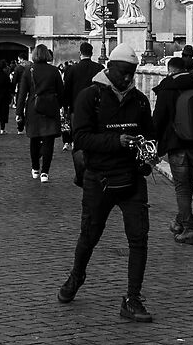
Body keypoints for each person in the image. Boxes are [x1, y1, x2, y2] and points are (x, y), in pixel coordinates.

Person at [59, 50, 157, 321]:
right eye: (122, 72)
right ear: (109, 67)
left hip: (132, 179)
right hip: (99, 178)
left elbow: (149, 133)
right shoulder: (90, 97)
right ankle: (77, 276)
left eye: (131, 73)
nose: (127, 78)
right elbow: (81, 139)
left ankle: (133, 298)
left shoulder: (139, 101)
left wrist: (148, 154)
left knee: (139, 239)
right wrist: (117, 141)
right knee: (89, 235)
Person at [149, 51, 193, 245]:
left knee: (182, 187)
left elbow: (158, 119)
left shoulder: (167, 89)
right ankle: (179, 222)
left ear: (170, 70)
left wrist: (153, 142)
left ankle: (188, 229)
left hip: (177, 144)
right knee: (187, 184)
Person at [22, 43, 66, 182]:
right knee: (49, 141)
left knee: (34, 139)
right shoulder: (54, 71)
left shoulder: (28, 70)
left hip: (33, 108)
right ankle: (45, 172)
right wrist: (59, 106)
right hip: (50, 108)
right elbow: (61, 92)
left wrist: (18, 112)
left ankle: (35, 168)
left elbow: (22, 94)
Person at [61, 43, 102, 184]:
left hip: (76, 110)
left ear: (80, 53)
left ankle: (80, 173)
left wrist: (65, 107)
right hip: (96, 110)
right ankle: (95, 168)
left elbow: (66, 90)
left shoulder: (72, 70)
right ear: (92, 53)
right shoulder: (99, 68)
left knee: (78, 140)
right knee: (95, 138)